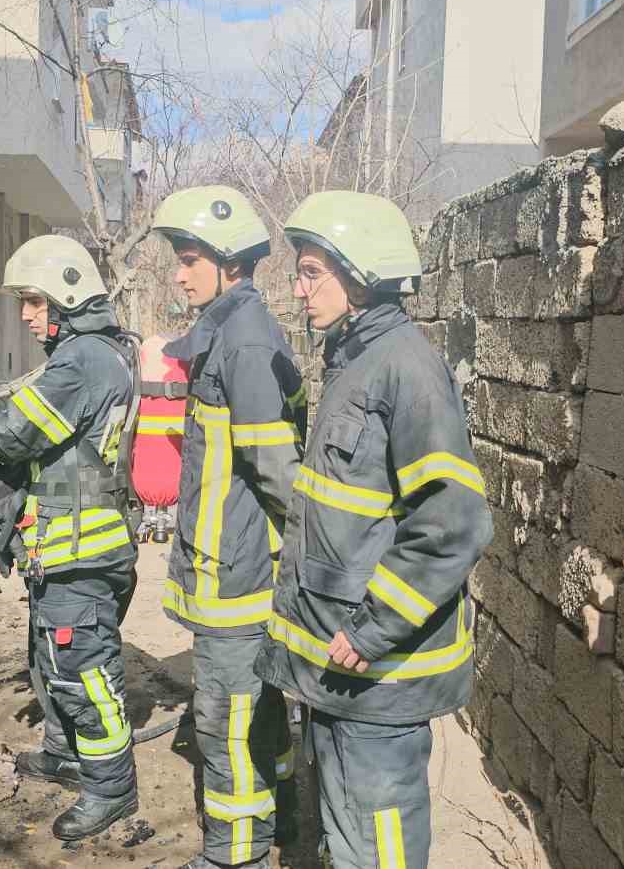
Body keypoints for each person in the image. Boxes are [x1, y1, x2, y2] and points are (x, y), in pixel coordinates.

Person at [253, 191, 492, 869]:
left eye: (309, 272)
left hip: (379, 672)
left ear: (359, 274)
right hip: (341, 669)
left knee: (378, 838)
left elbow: (454, 522)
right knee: (347, 826)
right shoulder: (354, 361)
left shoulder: (407, 368)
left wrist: (371, 629)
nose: (298, 291)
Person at [0, 234, 140, 841]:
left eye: (34, 300)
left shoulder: (82, 361)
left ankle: (111, 788)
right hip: (68, 543)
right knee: (50, 659)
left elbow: (14, 435)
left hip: (83, 548)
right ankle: (67, 756)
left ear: (68, 296)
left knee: (83, 669)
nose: (25, 313)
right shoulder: (98, 351)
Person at [152, 186, 306, 869]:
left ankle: (235, 853)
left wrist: (307, 556)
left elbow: (276, 469)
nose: (179, 274)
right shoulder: (228, 330)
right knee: (260, 711)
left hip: (237, 575)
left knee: (227, 719)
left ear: (230, 263)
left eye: (189, 260)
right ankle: (283, 816)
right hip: (231, 565)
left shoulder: (242, 340)